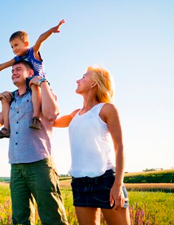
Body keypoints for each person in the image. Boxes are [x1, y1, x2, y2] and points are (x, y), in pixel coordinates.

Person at [0, 60, 68, 225]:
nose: (13, 73)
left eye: (18, 69)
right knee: (20, 219)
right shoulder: (12, 101)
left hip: (39, 164)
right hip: (16, 167)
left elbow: (52, 114)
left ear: (30, 73)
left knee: (52, 217)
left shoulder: (39, 93)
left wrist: (43, 83)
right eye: (12, 71)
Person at [54, 65, 130, 225]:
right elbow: (49, 121)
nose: (77, 80)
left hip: (106, 180)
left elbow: (120, 147)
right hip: (80, 182)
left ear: (94, 83)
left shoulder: (107, 109)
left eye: (83, 77)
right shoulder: (75, 114)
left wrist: (118, 184)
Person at [0, 19, 65, 139]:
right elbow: (2, 65)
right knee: (6, 98)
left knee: (33, 84)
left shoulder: (33, 52)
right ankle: (6, 128)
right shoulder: (17, 59)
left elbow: (40, 39)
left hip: (38, 84)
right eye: (12, 47)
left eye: (16, 45)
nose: (14, 49)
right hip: (25, 88)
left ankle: (35, 118)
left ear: (25, 43)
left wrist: (52, 30)